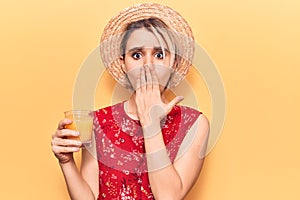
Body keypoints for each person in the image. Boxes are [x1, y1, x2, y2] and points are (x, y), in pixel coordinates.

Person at [51, 3, 209, 200]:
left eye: (159, 54)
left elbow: (168, 197)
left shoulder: (194, 124)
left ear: (174, 63)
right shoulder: (98, 122)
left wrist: (150, 123)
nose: (147, 65)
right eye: (136, 55)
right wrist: (66, 162)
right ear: (123, 63)